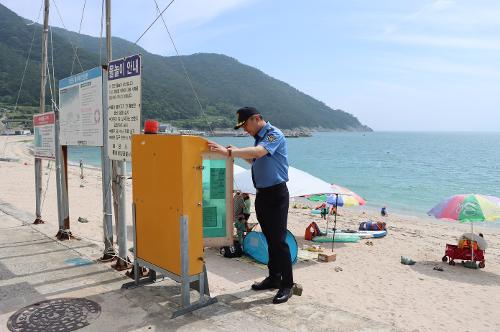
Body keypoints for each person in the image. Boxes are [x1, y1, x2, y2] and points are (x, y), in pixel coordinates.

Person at [208, 106, 293, 304]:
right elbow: (253, 159)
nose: (245, 130)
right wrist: (235, 151)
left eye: (245, 125)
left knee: (279, 240)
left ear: (256, 119)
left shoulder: (273, 134)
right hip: (262, 194)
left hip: (277, 194)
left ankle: (287, 284)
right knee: (269, 237)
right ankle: (274, 278)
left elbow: (260, 152)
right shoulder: (258, 138)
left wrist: (229, 153)